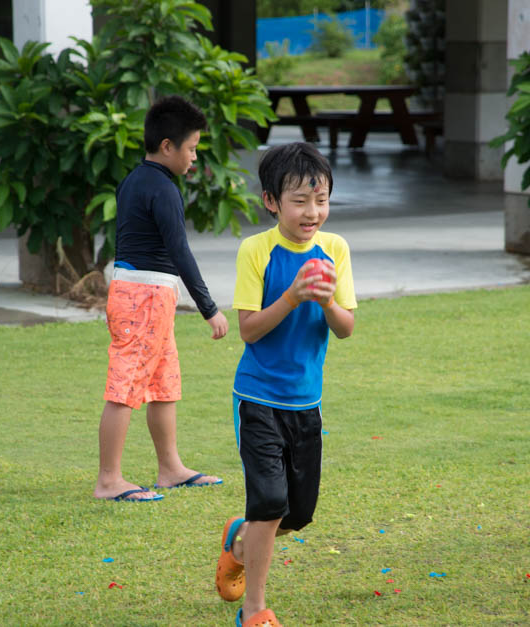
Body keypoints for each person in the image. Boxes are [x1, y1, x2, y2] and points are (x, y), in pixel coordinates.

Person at [215, 142, 356, 627]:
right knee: (270, 502)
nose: (312, 211)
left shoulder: (335, 249)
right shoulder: (255, 250)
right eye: (299, 200)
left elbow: (346, 327)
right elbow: (250, 329)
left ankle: (239, 540)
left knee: (296, 514)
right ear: (271, 201)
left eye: (321, 199)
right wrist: (294, 296)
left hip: (306, 401)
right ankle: (254, 611)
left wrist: (326, 301)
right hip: (257, 397)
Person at [93, 95, 229, 503]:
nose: (194, 157)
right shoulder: (163, 189)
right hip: (144, 298)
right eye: (191, 148)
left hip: (148, 296)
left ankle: (170, 469)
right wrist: (210, 308)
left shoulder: (135, 180)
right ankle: (108, 480)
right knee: (125, 387)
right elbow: (180, 251)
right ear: (167, 146)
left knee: (162, 383)